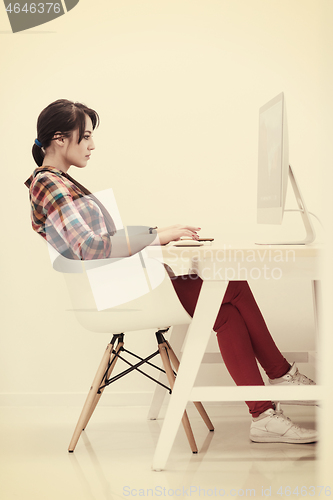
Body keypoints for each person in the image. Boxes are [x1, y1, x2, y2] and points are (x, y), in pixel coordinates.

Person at [25, 99, 317, 444]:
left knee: (224, 309)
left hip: (122, 282)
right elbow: (89, 247)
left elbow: (100, 240)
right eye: (85, 136)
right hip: (115, 293)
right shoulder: (49, 183)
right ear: (60, 139)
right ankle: (280, 378)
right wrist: (157, 237)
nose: (92, 145)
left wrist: (160, 233)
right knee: (232, 284)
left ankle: (264, 414)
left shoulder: (58, 181)